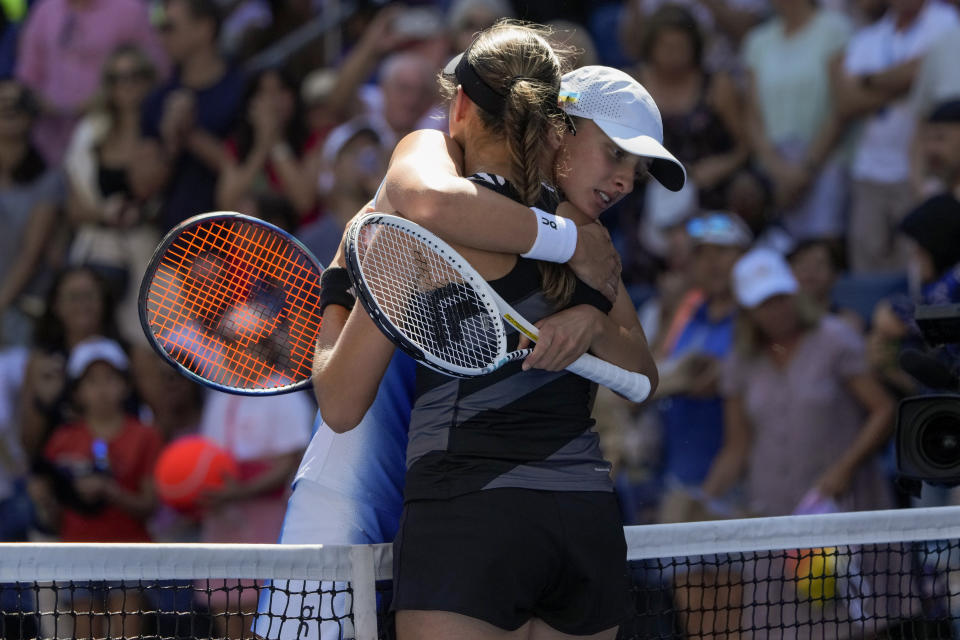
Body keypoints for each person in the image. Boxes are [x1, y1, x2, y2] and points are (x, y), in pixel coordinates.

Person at [257, 57, 685, 640]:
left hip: (469, 525)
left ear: (462, 108)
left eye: (634, 167)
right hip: (583, 527)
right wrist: (587, 309)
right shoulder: (591, 243)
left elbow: (338, 402)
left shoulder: (430, 220)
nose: (626, 182)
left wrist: (336, 289)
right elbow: (642, 372)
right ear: (556, 126)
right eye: (616, 154)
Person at [40, 336, 162, 638]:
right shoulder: (61, 440)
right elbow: (51, 510)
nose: (102, 389)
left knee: (127, 632)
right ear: (78, 391)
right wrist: (48, 500)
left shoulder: (145, 436)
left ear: (125, 385)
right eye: (92, 381)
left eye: (110, 378)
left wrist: (110, 492)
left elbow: (150, 505)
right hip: (77, 554)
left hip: (131, 552)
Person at [63, 44, 161, 346]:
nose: (127, 84)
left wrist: (142, 214)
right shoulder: (90, 132)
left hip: (152, 249)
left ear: (149, 79)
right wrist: (107, 213)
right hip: (97, 249)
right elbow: (73, 208)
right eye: (118, 78)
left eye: (135, 76)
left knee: (147, 341)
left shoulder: (162, 129)